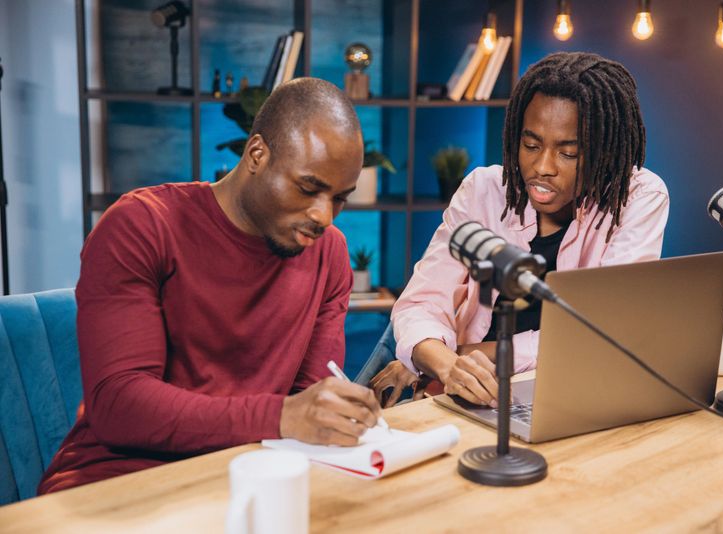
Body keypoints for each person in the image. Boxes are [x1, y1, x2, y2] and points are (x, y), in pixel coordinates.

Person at [39, 78, 384, 494]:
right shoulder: (141, 226)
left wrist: (326, 413)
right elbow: (119, 406)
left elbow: (307, 399)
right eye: (308, 188)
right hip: (120, 479)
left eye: (340, 198)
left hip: (250, 474)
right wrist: (283, 416)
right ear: (257, 154)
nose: (324, 216)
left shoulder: (329, 253)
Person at [369, 52, 669, 408]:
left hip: (568, 393)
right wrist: (445, 365)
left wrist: (461, 355)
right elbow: (423, 301)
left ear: (604, 153)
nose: (542, 167)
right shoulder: (484, 190)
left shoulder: (637, 198)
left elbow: (602, 331)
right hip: (461, 393)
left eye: (568, 153)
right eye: (530, 145)